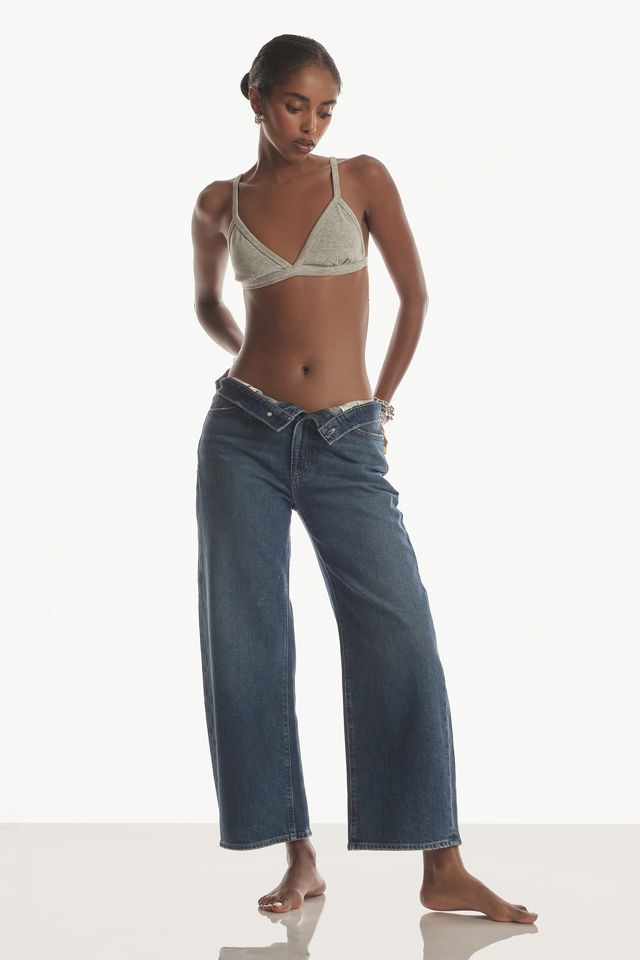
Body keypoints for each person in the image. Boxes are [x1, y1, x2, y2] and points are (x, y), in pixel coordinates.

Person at [191, 33, 538, 924]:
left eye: (325, 109)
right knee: (247, 642)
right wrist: (249, 357)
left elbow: (415, 298)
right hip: (241, 435)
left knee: (399, 634)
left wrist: (378, 405)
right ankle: (298, 858)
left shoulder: (363, 179)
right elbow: (207, 304)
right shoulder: (220, 202)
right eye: (294, 105)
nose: (310, 124)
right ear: (255, 96)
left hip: (347, 438)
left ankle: (441, 863)